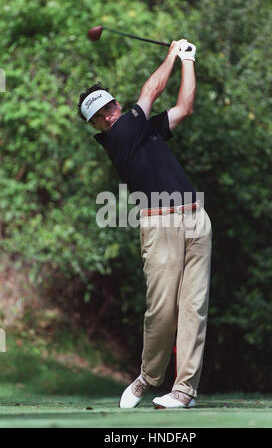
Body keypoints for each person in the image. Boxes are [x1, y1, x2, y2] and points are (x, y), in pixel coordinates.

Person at [77, 39, 212, 409]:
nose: (109, 114)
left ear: (116, 105)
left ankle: (184, 390)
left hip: (195, 218)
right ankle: (148, 378)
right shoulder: (119, 137)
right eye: (100, 115)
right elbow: (152, 89)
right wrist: (171, 52)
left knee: (193, 309)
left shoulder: (142, 130)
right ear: (96, 125)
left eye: (110, 106)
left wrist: (188, 60)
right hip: (161, 224)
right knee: (161, 309)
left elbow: (184, 108)